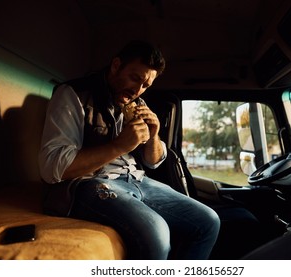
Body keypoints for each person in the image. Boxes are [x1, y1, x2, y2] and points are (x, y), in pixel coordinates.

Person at [38, 40, 220, 260]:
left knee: (208, 221)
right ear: (116, 66)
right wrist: (119, 145)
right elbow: (52, 167)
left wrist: (153, 136)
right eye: (135, 78)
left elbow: (153, 162)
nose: (137, 90)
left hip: (137, 180)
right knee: (158, 232)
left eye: (145, 85)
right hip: (90, 183)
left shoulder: (137, 102)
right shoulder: (73, 94)